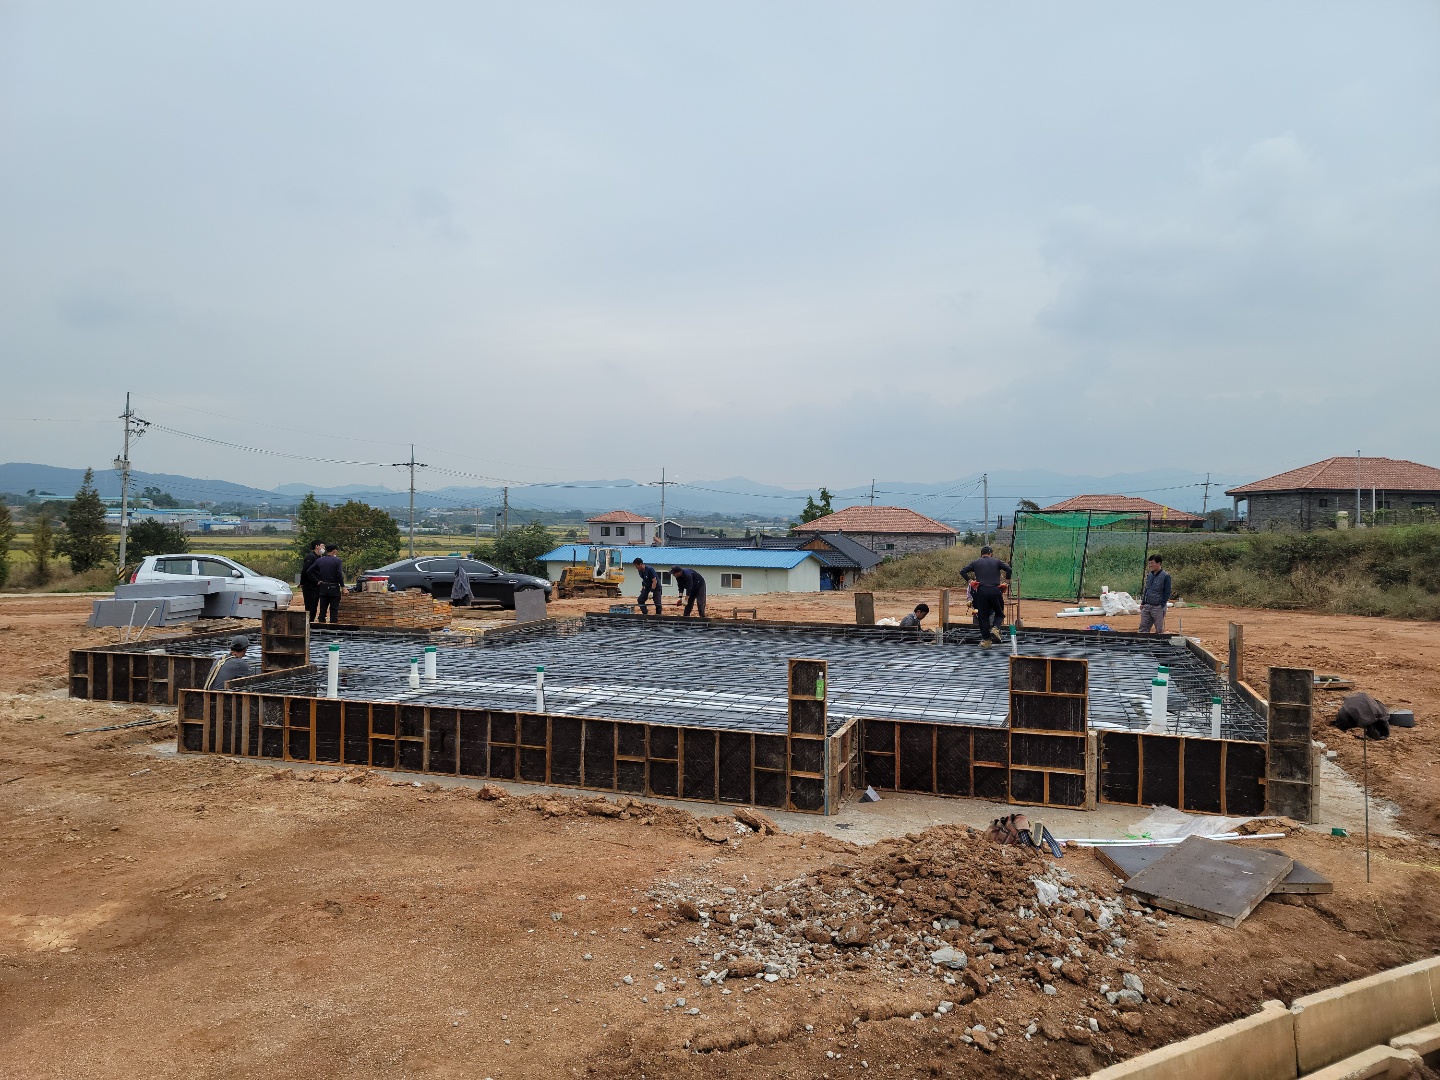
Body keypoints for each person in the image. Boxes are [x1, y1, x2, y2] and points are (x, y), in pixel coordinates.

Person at [961, 545, 1012, 647]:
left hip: (981, 591)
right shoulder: (997, 562)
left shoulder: (975, 562)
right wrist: (1006, 583)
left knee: (983, 617)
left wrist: (971, 582)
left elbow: (963, 571)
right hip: (995, 590)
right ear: (991, 554)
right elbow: (1009, 570)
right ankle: (995, 628)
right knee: (999, 613)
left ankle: (987, 640)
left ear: (981, 554)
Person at [311, 542, 345, 624]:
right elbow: (339, 574)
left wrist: (317, 580)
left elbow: (309, 571)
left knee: (323, 609)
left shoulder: (320, 560)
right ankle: (333, 627)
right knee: (334, 609)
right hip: (334, 587)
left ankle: (321, 626)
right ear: (334, 551)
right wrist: (343, 586)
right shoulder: (337, 561)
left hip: (323, 587)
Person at [1138, 555, 1172, 634]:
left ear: (1159, 563)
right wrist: (1143, 603)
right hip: (1147, 606)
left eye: (1152, 563)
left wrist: (1161, 605)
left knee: (1159, 630)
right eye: (1149, 563)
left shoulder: (1166, 576)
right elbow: (1146, 590)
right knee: (1143, 629)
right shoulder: (1149, 575)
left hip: (1158, 607)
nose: (1150, 565)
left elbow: (1167, 592)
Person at [300, 539, 325, 622]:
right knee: (310, 606)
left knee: (315, 605)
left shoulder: (319, 557)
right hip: (310, 585)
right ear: (317, 546)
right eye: (322, 546)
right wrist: (302, 582)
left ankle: (312, 622)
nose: (323, 548)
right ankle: (308, 623)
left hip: (317, 586)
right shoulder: (310, 557)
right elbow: (306, 571)